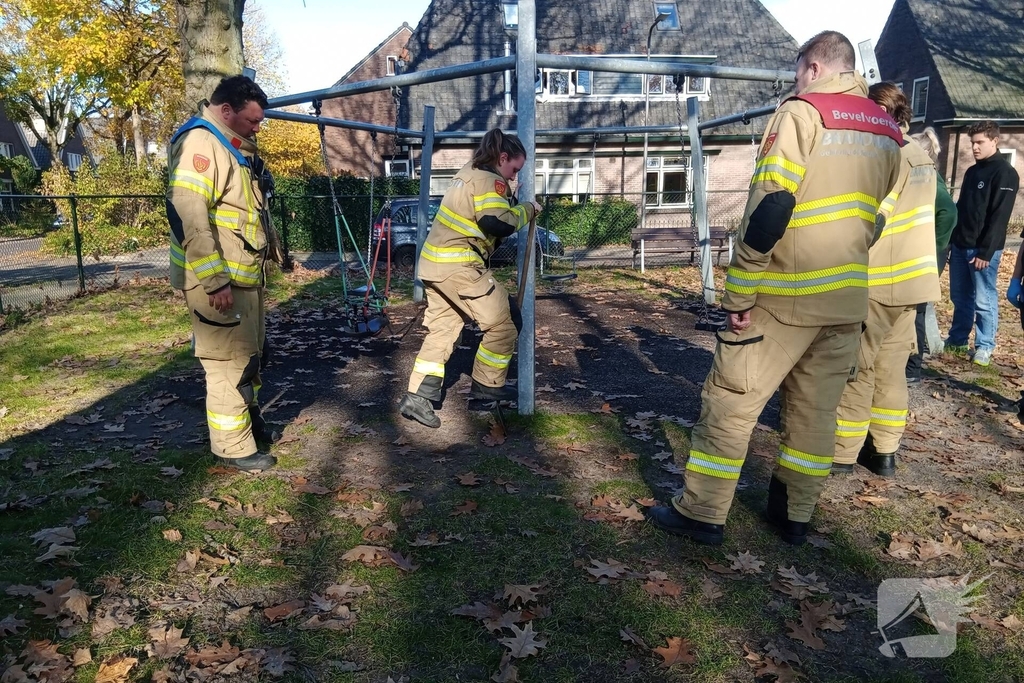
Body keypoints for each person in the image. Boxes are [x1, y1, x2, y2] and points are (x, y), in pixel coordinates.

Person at [645, 31, 901, 546]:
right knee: (815, 413)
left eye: (797, 70)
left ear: (812, 67)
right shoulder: (887, 131)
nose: (794, 79)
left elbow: (769, 211)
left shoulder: (801, 114)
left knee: (731, 402)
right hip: (847, 298)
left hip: (785, 295)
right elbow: (877, 218)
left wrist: (738, 297)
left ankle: (703, 513)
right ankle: (794, 517)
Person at [166, 75, 278, 472]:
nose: (257, 127)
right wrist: (215, 282)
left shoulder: (227, 146)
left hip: (241, 276)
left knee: (248, 357)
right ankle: (232, 447)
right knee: (227, 364)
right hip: (219, 281)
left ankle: (248, 422)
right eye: (252, 120)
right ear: (226, 110)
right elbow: (189, 214)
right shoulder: (201, 143)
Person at [832, 83, 944, 477]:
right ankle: (884, 453)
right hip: (912, 285)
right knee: (891, 371)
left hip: (877, 281)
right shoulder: (923, 160)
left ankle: (843, 453)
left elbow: (873, 220)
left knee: (858, 368)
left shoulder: (886, 155)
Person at [399, 128, 541, 428]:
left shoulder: (470, 172)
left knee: (443, 331)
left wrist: (510, 200)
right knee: (505, 322)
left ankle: (417, 398)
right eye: (514, 169)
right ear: (502, 158)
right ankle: (486, 389)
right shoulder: (492, 181)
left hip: (434, 266)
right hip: (458, 266)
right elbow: (497, 223)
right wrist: (527, 209)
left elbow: (485, 222)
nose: (513, 178)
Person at [945, 121, 1019, 367]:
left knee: (983, 300)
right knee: (960, 296)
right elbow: (961, 209)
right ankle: (957, 339)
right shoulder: (971, 172)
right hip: (960, 246)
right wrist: (951, 242)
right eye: (972, 142)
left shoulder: (1005, 173)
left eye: (980, 142)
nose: (974, 147)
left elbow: (999, 217)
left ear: (995, 141)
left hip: (983, 250)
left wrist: (986, 252)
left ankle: (984, 346)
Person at [905, 127, 957, 382]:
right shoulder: (922, 176)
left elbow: (948, 213)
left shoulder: (929, 178)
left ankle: (912, 368)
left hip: (929, 253)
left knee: (917, 309)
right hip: (923, 252)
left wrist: (933, 245)